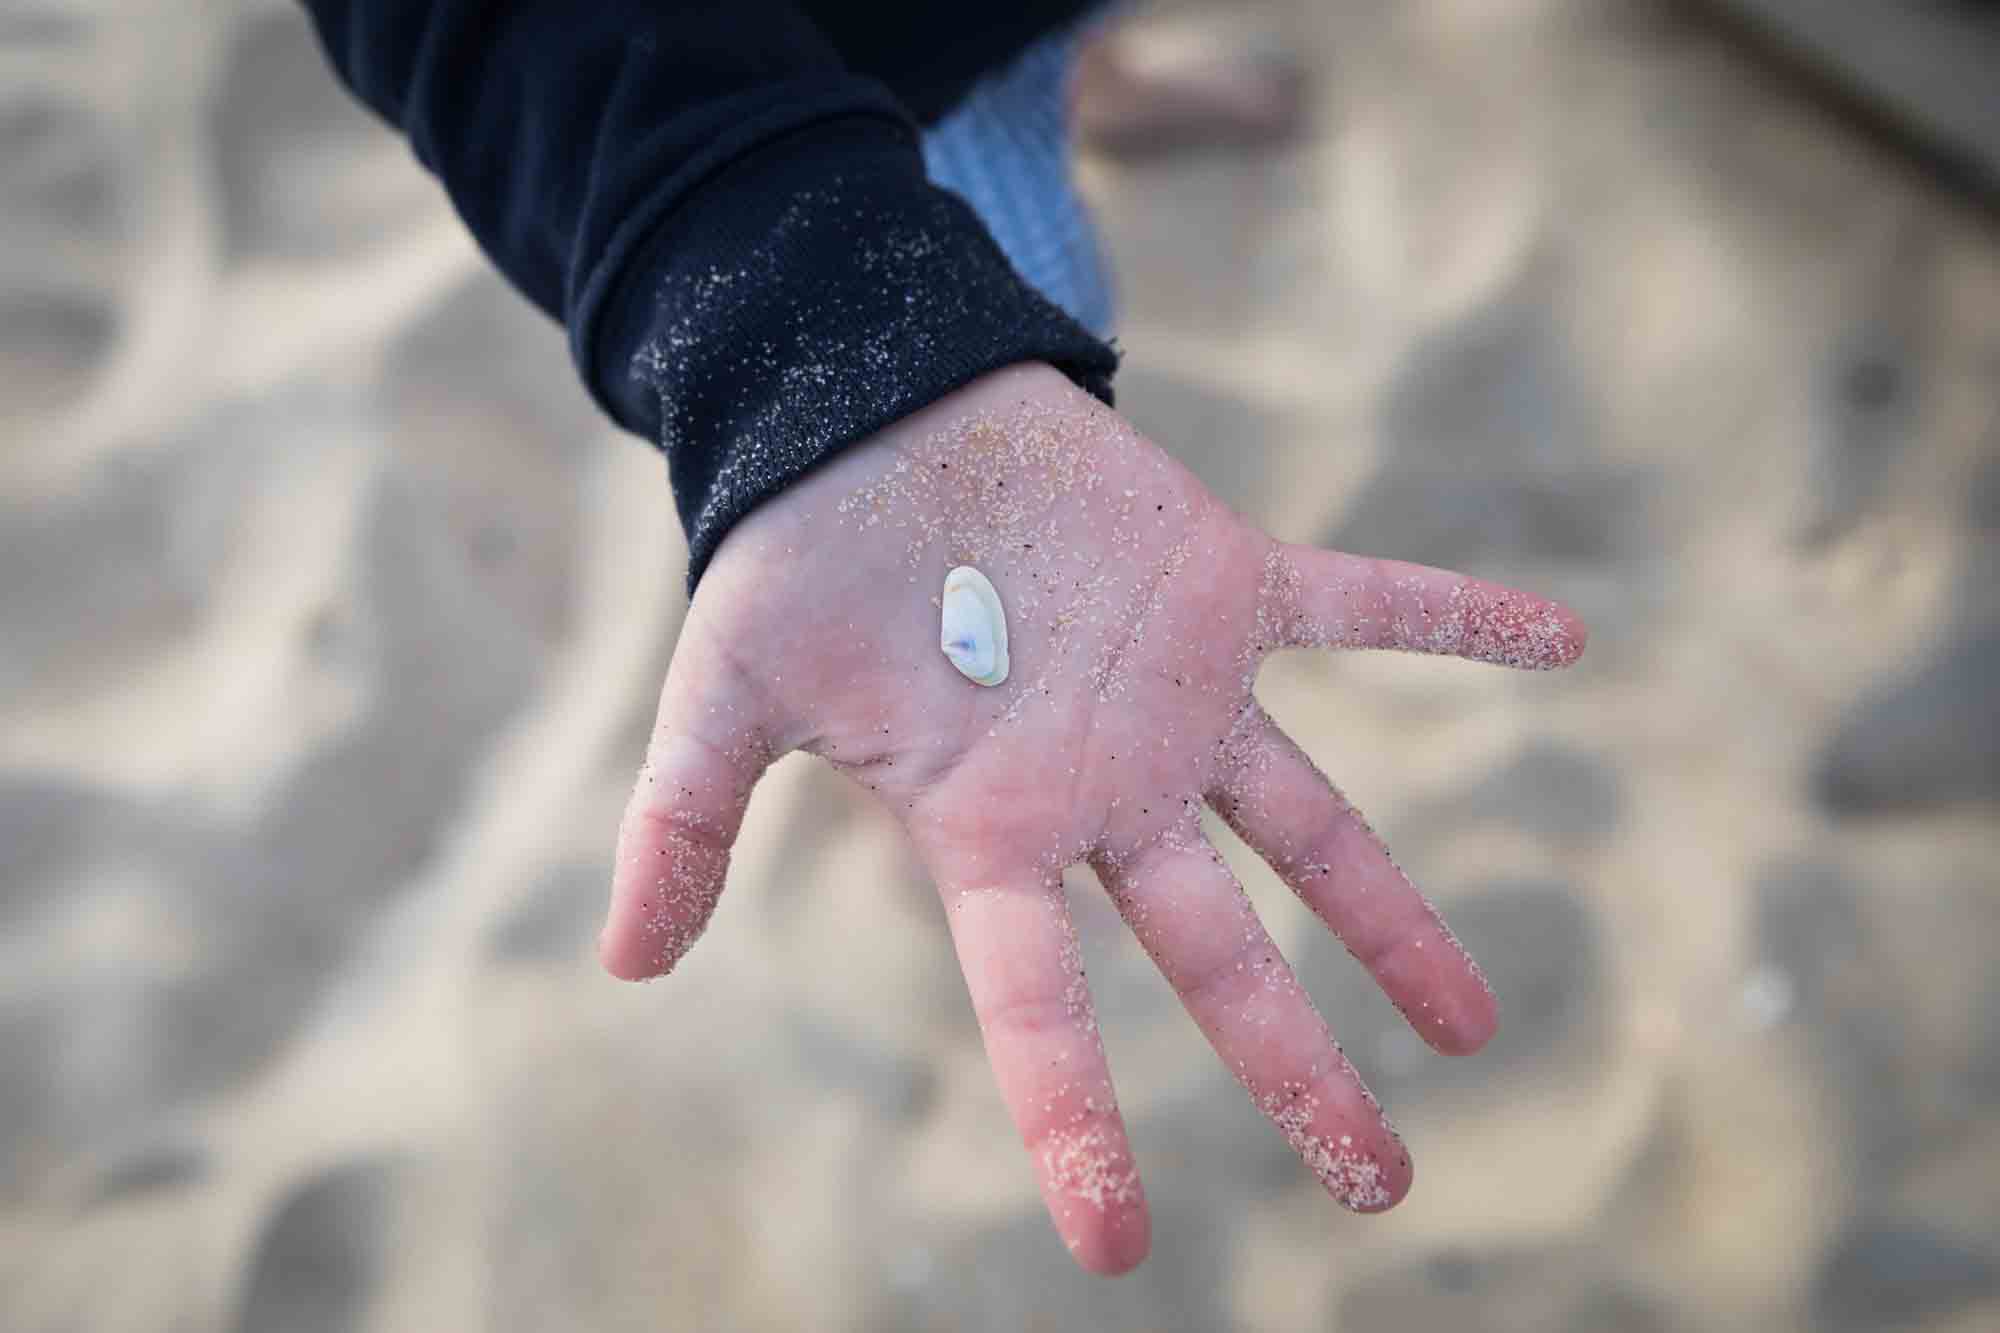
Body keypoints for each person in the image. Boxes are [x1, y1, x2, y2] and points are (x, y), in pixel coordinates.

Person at [300, 0, 1586, 1276]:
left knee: (1040, 44)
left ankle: (1090, 71)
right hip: (836, 99)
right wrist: (786, 301)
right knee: (1017, 331)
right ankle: (912, 772)